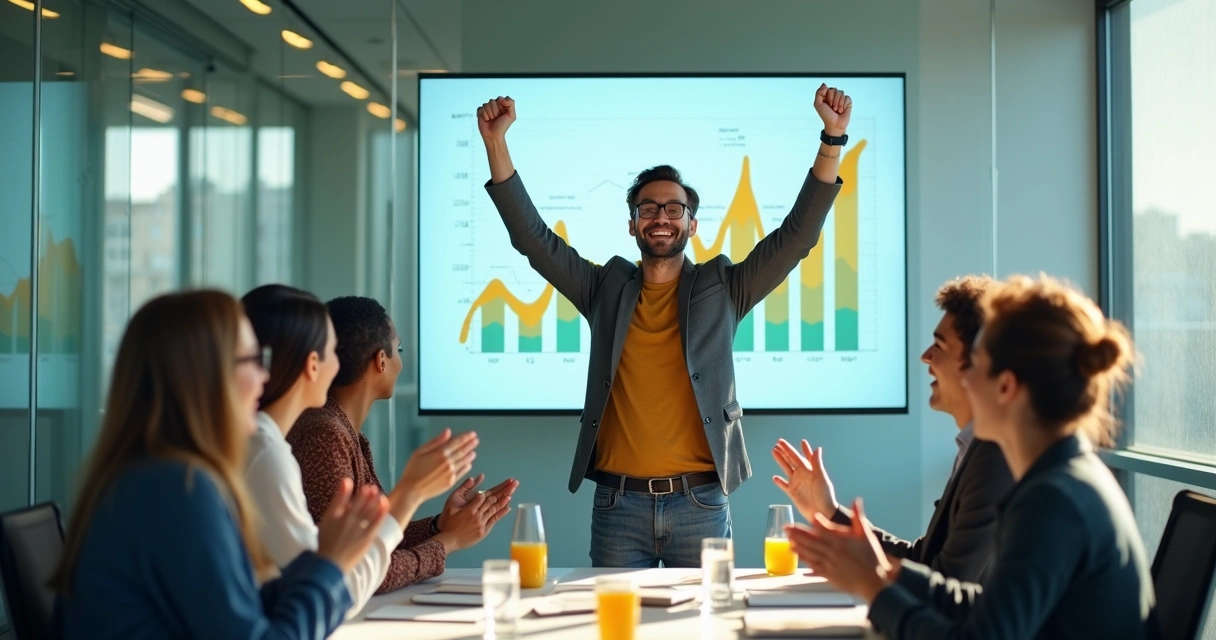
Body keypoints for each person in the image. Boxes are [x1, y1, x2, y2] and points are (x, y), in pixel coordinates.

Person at [475, 85, 851, 567]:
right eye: (648, 208)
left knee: (706, 625)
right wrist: (495, 143)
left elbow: (796, 238)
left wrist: (832, 139)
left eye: (674, 209)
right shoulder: (604, 288)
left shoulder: (724, 287)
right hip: (618, 506)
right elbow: (535, 241)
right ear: (632, 224)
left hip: (701, 504)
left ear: (691, 225)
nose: (661, 217)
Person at [787, 275, 1158, 640]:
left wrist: (876, 589)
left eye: (977, 364)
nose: (967, 381)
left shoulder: (1053, 500)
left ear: (1006, 386)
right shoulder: (1063, 477)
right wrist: (886, 572)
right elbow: (983, 606)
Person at [51, 290, 388, 639]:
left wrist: (322, 566)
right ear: (207, 377)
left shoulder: (151, 476)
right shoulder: (179, 489)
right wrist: (328, 567)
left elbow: (239, 606)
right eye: (252, 361)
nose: (265, 376)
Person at [241, 284, 479, 615]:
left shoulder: (315, 434)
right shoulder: (311, 438)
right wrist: (426, 512)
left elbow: (351, 555)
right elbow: (343, 581)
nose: (337, 363)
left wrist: (439, 526)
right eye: (328, 351)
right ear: (313, 364)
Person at [773, 276, 1013, 583]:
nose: (926, 356)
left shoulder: (995, 456)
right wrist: (829, 511)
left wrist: (865, 578)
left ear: (979, 363)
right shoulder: (975, 448)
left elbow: (946, 583)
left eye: (939, 345)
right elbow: (924, 560)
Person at [290, 295, 518, 592]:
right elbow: (366, 570)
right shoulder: (324, 438)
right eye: (398, 349)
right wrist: (448, 542)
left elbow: (373, 541)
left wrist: (438, 526)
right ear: (380, 361)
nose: (401, 361)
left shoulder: (341, 431)